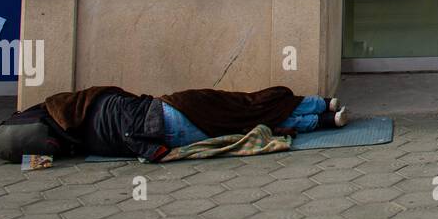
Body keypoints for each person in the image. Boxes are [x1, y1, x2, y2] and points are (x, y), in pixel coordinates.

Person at [41, 86, 349, 162]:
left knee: (250, 119)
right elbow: (131, 125)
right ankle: (322, 105)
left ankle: (324, 118)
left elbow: (136, 140)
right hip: (175, 109)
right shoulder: (105, 102)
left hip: (178, 132)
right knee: (251, 104)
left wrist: (157, 152)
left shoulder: (93, 137)